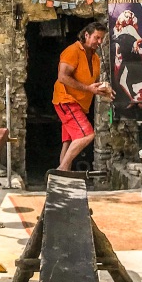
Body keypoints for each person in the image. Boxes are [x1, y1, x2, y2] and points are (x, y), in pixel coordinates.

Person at [52, 22, 114, 172]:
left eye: (102, 39)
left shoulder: (96, 58)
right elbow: (62, 77)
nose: (99, 42)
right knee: (86, 135)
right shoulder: (72, 51)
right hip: (66, 99)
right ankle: (62, 169)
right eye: (97, 38)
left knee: (69, 141)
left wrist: (105, 90)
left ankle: (63, 175)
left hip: (79, 104)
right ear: (86, 35)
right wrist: (88, 88)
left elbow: (93, 84)